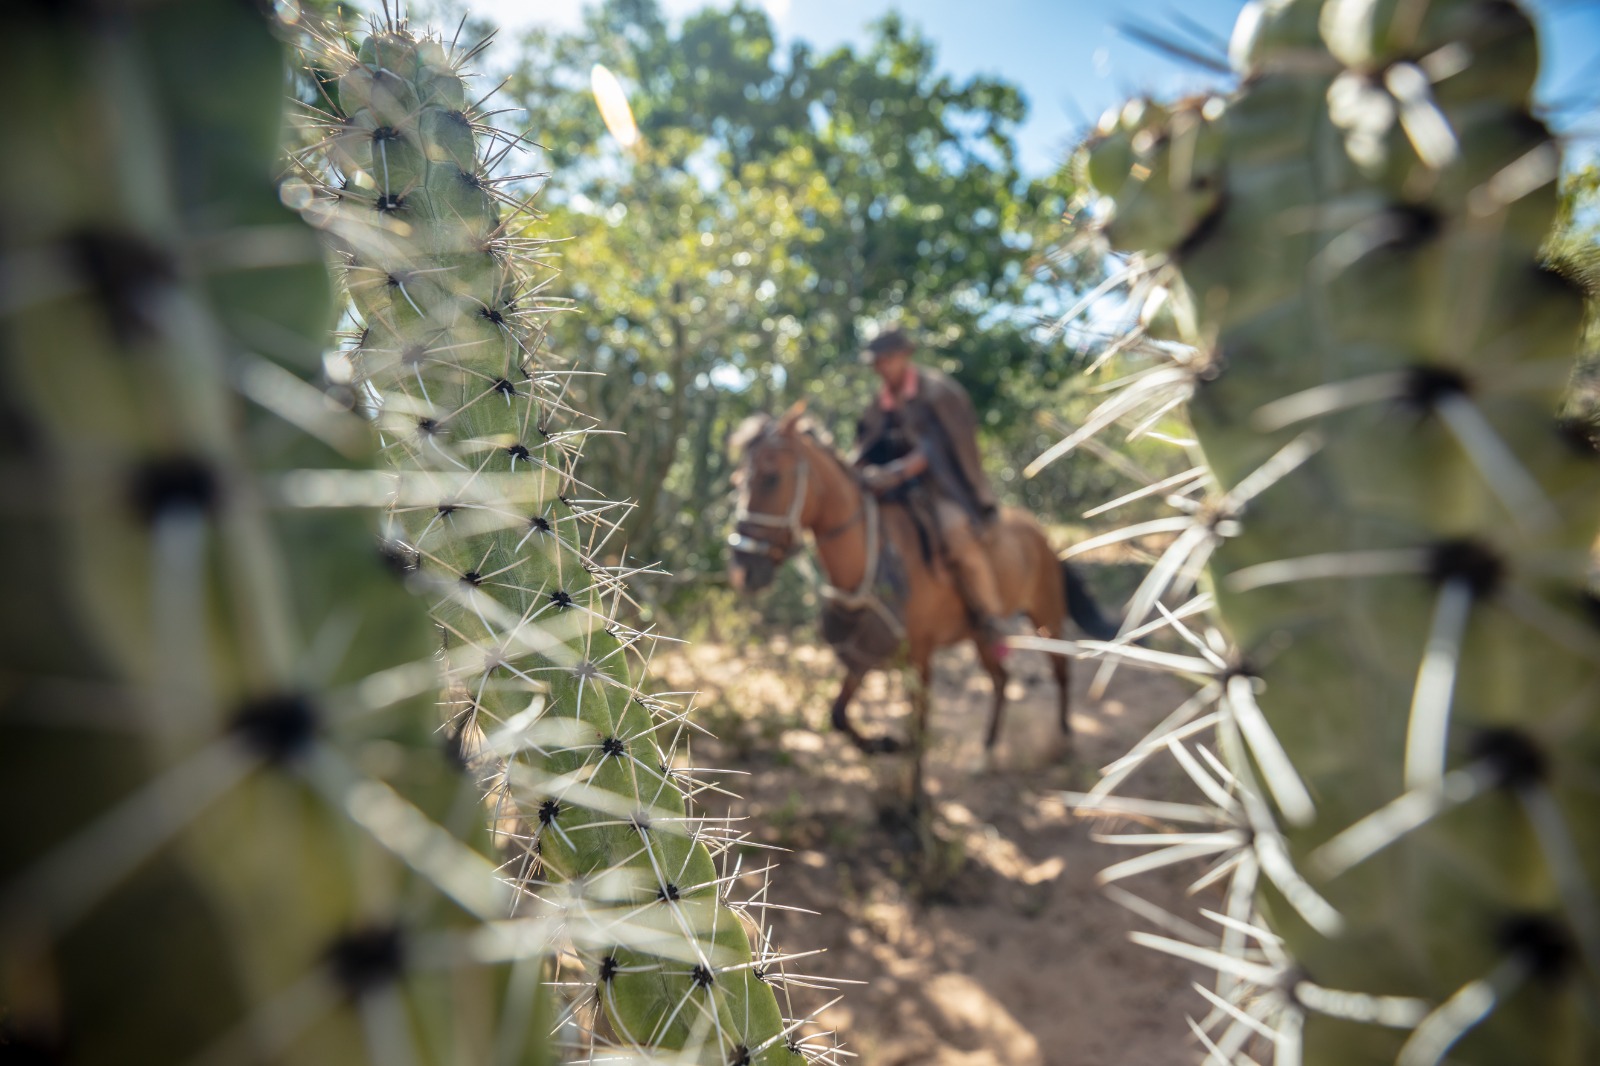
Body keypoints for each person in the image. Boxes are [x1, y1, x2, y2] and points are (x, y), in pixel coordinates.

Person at [851, 328, 1010, 660]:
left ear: (905, 356)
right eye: (877, 362)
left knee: (956, 536)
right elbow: (865, 444)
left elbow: (938, 449)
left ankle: (990, 616)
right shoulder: (877, 405)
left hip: (939, 487)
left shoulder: (938, 393)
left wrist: (899, 472)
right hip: (890, 493)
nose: (882, 367)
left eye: (888, 359)